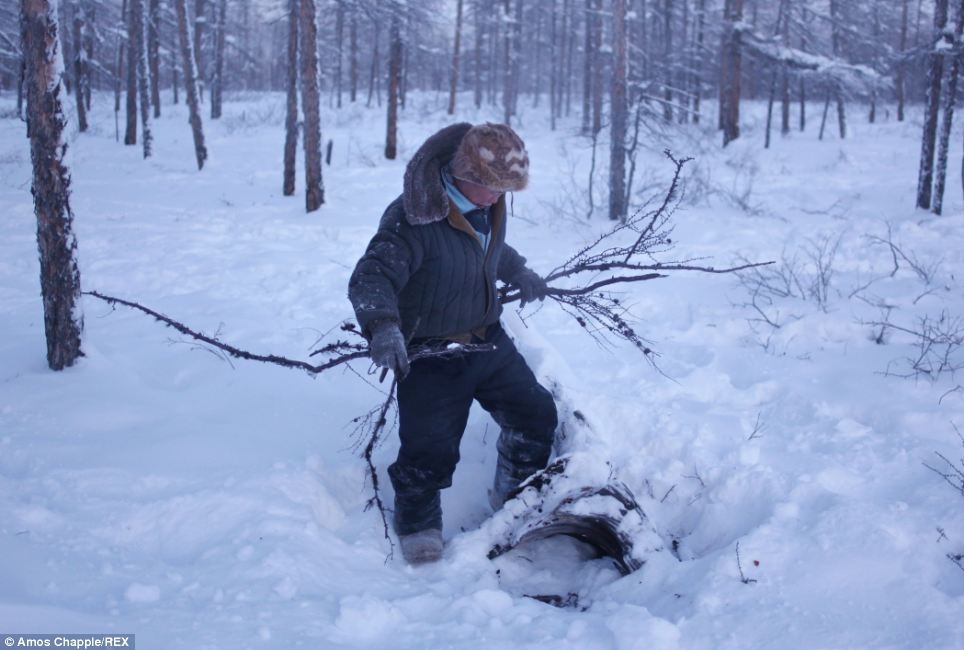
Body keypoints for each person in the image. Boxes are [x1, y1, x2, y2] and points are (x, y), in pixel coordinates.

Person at [348, 122, 559, 565]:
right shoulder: (413, 217)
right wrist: (384, 325)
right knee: (429, 448)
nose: (498, 198)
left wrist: (517, 270)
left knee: (536, 415)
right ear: (465, 174)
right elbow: (373, 275)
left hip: (487, 338)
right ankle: (418, 518)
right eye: (491, 188)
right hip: (431, 354)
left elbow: (489, 248)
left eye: (506, 190)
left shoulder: (488, 204)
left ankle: (516, 496)